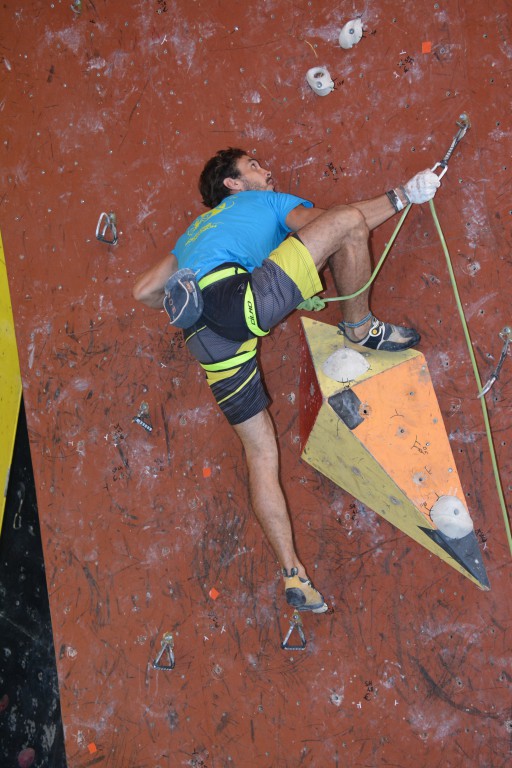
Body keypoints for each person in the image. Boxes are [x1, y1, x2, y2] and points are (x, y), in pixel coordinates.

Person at [133, 148, 441, 613]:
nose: (267, 170)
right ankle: (360, 328)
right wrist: (405, 195)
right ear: (233, 185)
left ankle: (293, 573)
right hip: (239, 301)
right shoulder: (264, 201)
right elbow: (341, 220)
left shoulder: (190, 237)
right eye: (254, 166)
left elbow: (144, 291)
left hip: (202, 335)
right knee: (347, 223)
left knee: (259, 452)